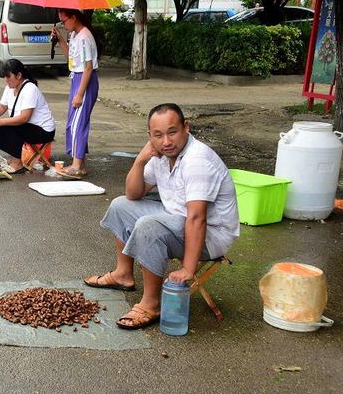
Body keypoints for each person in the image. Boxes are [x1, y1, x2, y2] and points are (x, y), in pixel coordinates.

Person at [83, 103, 240, 330]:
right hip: (177, 218)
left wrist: (188, 268)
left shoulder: (198, 161)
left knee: (149, 225)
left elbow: (197, 218)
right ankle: (123, 274)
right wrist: (140, 160)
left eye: (172, 132)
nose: (166, 142)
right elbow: (133, 193)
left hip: (211, 236)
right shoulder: (159, 155)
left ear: (186, 127)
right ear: (150, 136)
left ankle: (151, 303)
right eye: (158, 135)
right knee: (120, 205)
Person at [0, 59, 55, 174]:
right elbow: (2, 106)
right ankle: (12, 157)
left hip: (43, 130)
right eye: (5, 77)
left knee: (7, 128)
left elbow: (25, 118)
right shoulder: (9, 88)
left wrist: (0, 122)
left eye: (8, 77)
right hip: (27, 126)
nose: (6, 80)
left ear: (19, 75)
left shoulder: (30, 89)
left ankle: (17, 163)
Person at [51, 9, 100, 180]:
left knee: (77, 124)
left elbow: (88, 68)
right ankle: (80, 163)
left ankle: (77, 166)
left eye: (64, 21)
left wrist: (79, 94)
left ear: (74, 17)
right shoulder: (75, 35)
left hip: (84, 81)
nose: (63, 25)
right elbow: (70, 58)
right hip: (76, 78)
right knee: (73, 123)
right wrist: (60, 39)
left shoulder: (85, 36)